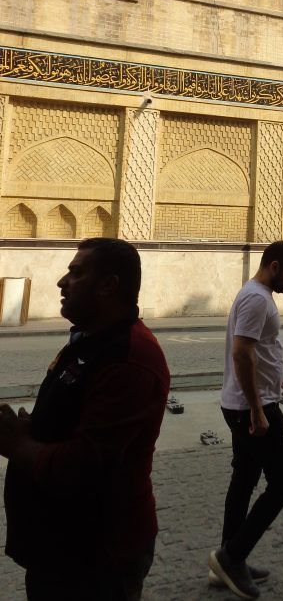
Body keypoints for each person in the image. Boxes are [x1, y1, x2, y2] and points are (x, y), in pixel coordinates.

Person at [0, 237, 170, 601]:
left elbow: (88, 461)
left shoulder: (130, 357)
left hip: (97, 554)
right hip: (62, 546)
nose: (62, 282)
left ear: (108, 285)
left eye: (76, 273)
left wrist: (17, 444)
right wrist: (34, 429)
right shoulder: (92, 341)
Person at [209, 240, 283, 599]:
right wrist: (258, 410)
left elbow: (260, 350)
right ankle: (231, 556)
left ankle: (229, 561)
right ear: (275, 266)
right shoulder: (257, 299)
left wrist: (279, 379)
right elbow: (241, 354)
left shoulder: (257, 294)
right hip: (253, 408)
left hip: (249, 402)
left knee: (245, 479)